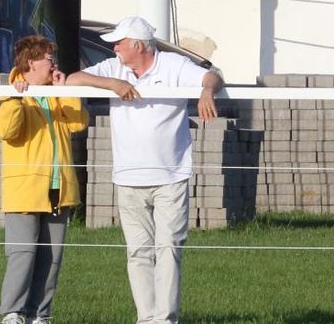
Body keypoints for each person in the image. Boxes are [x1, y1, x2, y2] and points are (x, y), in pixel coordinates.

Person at [63, 16, 223, 324]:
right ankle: (146, 317)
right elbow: (72, 80)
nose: (115, 49)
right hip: (128, 177)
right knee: (137, 252)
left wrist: (206, 92)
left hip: (170, 177)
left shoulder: (172, 64)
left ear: (137, 45)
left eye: (119, 43)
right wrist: (113, 84)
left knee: (168, 250)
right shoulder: (114, 68)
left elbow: (212, 75)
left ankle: (165, 318)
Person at [0, 36, 88, 324]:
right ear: (31, 62)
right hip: (24, 190)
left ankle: (40, 313)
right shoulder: (10, 92)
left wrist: (65, 90)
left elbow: (78, 122)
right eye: (48, 58)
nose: (53, 63)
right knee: (22, 254)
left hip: (58, 189)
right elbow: (5, 130)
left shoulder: (55, 92)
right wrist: (16, 99)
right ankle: (12, 311)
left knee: (52, 258)